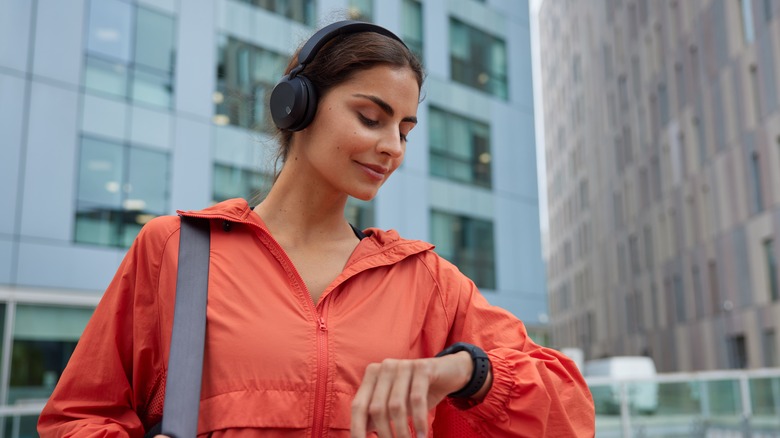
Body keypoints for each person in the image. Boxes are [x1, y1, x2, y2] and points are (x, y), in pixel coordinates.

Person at [38, 20, 594, 437]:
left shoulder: (426, 280)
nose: (392, 148)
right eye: (370, 118)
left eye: (405, 130)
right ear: (296, 108)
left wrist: (467, 372)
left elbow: (571, 412)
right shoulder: (176, 250)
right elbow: (76, 417)